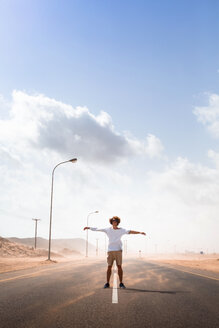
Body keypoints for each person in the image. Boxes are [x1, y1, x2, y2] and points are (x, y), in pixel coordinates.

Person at [83, 216, 146, 289]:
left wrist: (140, 232)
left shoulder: (122, 230)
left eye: (115, 221)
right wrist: (88, 227)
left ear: (117, 222)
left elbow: (130, 231)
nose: (114, 222)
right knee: (109, 267)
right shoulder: (107, 229)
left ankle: (121, 283)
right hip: (110, 251)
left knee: (119, 266)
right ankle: (107, 283)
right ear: (111, 222)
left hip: (118, 251)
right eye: (113, 221)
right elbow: (97, 229)